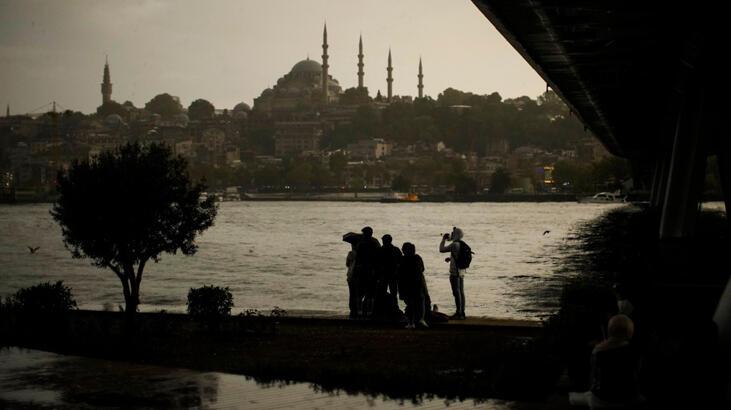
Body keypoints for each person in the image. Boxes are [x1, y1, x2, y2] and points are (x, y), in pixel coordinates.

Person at [569, 314, 644, 409]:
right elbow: (636, 375)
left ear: (609, 331)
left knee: (576, 397)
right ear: (630, 332)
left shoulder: (598, 351)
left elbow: (593, 380)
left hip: (601, 401)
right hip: (631, 399)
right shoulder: (636, 352)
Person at [397, 242, 428, 329]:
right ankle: (420, 319)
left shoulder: (402, 259)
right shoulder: (417, 258)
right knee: (419, 303)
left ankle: (411, 322)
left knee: (410, 304)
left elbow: (399, 272)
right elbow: (422, 269)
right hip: (417, 284)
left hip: (406, 285)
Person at [439, 227, 467, 319]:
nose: (452, 234)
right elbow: (458, 256)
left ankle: (458, 313)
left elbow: (441, 249)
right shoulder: (462, 244)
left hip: (455, 272)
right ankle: (462, 312)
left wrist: (443, 239)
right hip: (462, 271)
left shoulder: (454, 244)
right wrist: (451, 259)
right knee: (461, 292)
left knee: (456, 292)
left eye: (453, 233)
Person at [354, 226, 381, 317]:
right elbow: (378, 258)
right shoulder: (375, 243)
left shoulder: (361, 244)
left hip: (363, 270)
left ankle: (359, 310)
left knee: (360, 292)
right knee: (371, 293)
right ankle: (370, 311)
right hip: (371, 271)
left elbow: (357, 259)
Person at [378, 234, 402, 311]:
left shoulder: (380, 250)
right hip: (391, 274)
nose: (383, 242)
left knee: (384, 292)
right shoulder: (395, 250)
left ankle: (383, 308)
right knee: (393, 293)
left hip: (387, 274)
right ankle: (394, 308)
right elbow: (400, 262)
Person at [345, 243, 359, 318]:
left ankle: (353, 310)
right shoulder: (361, 254)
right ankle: (358, 309)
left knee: (352, 294)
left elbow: (347, 264)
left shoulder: (351, 253)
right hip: (358, 276)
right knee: (358, 294)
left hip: (351, 275)